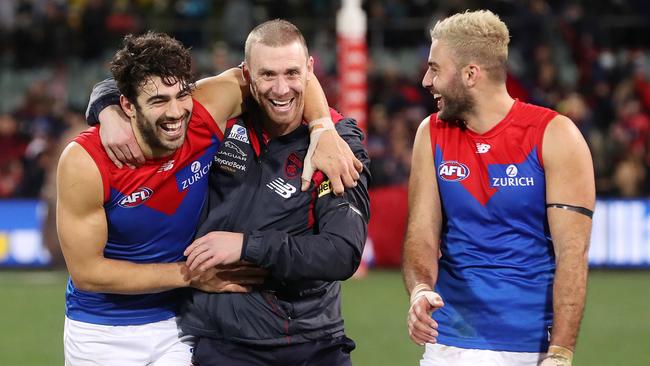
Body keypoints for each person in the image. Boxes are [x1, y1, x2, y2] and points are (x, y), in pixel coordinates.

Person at [58, 31, 359, 366]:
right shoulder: (86, 161)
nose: (175, 113)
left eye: (181, 95)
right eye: (158, 101)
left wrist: (322, 127)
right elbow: (87, 272)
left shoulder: (204, 113)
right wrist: (190, 275)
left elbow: (291, 75)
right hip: (102, 331)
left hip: (180, 324)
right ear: (127, 105)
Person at [401, 10, 595, 366]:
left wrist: (561, 353)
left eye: (435, 68)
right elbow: (421, 234)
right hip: (449, 341)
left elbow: (573, 254)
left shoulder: (555, 135)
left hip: (531, 345)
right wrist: (420, 290)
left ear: (470, 74)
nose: (426, 80)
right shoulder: (430, 133)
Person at [178, 19, 370, 365]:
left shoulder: (336, 145)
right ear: (247, 75)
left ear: (310, 70)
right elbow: (146, 99)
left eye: (292, 73)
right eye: (268, 75)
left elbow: (341, 253)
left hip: (310, 345)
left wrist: (245, 245)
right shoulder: (220, 120)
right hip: (222, 343)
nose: (281, 89)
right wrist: (105, 106)